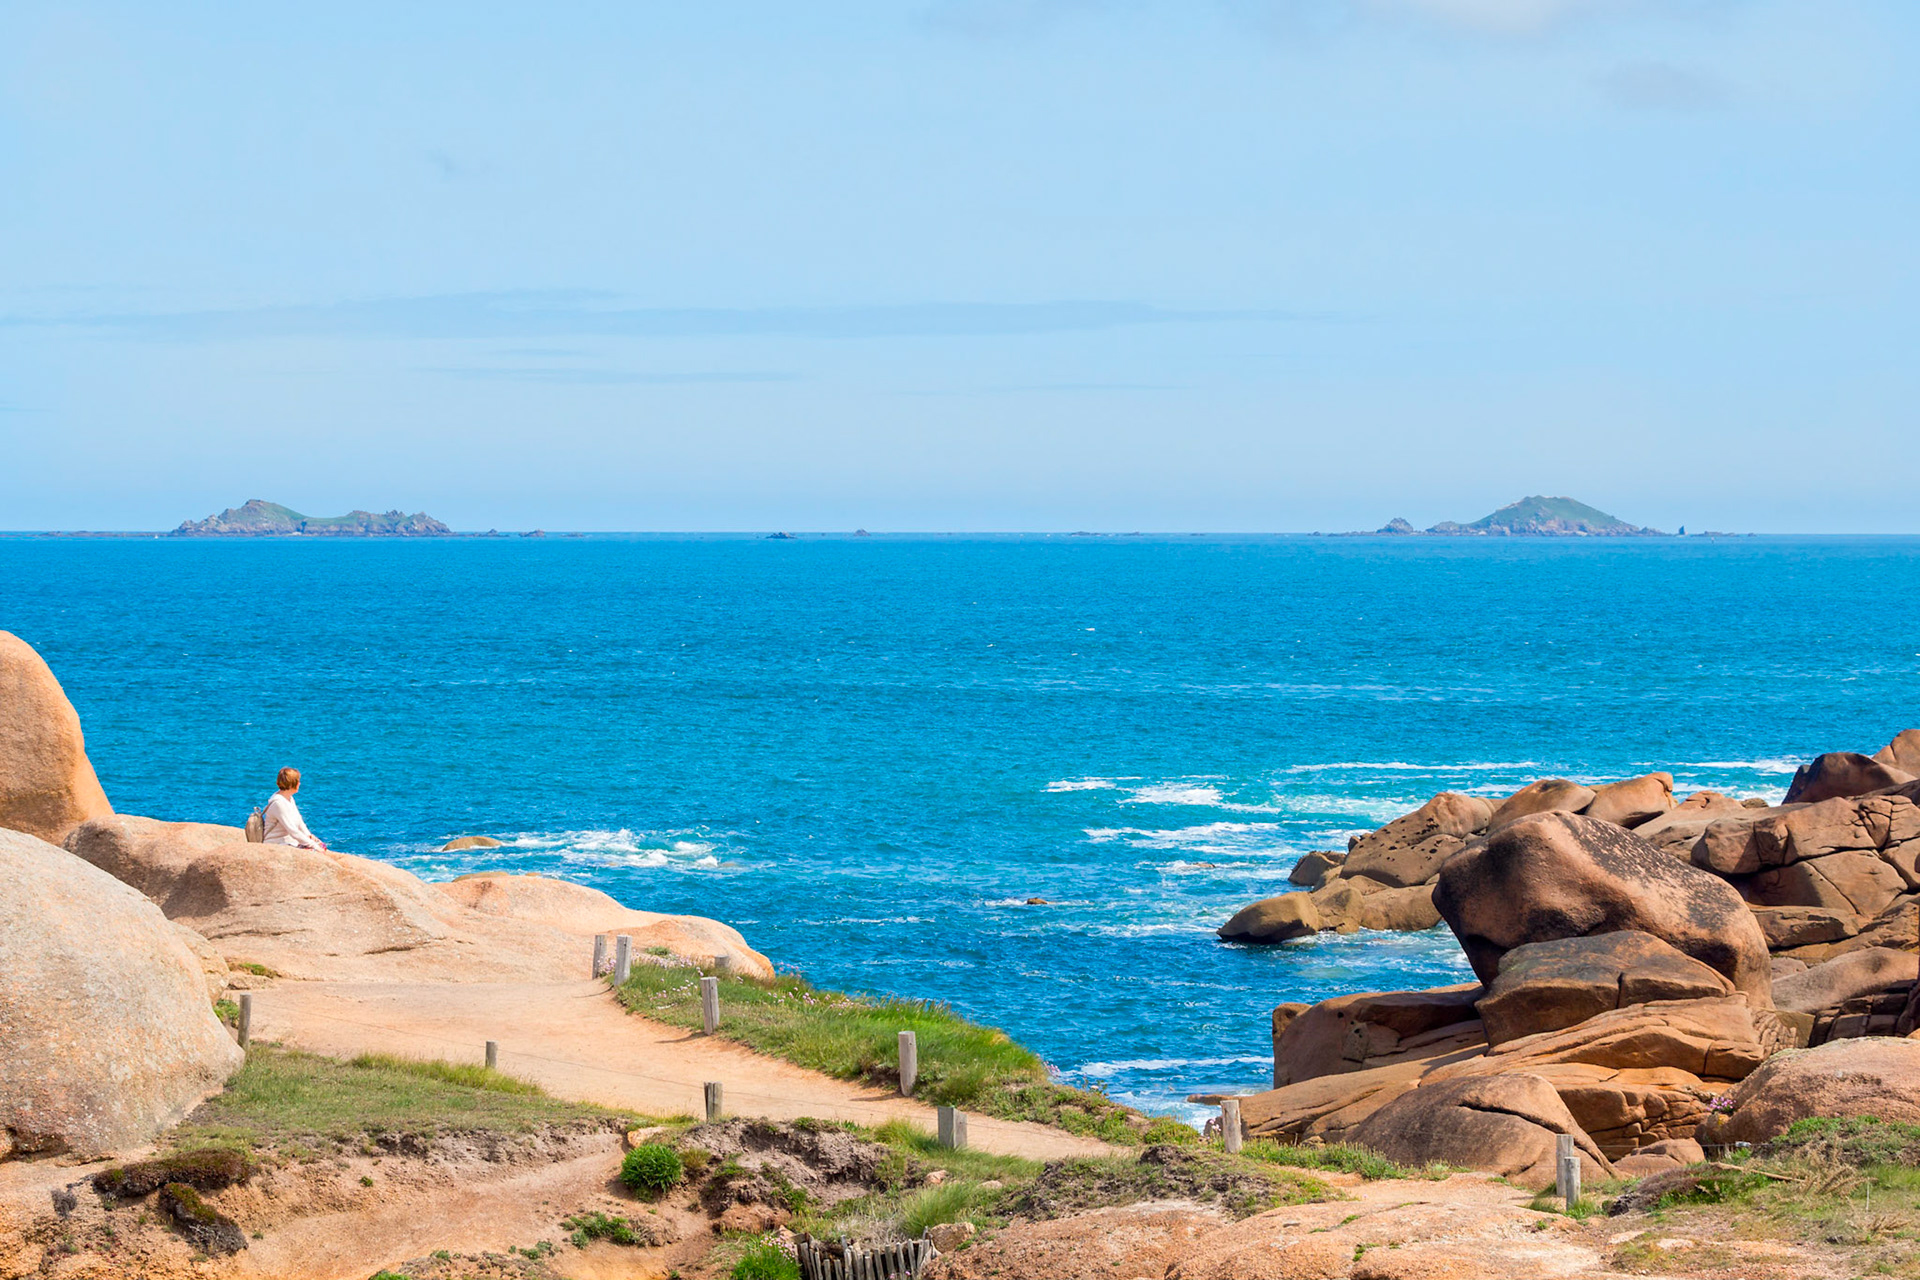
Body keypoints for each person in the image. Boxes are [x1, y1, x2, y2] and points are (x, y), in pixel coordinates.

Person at [263, 767, 328, 850]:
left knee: (322, 846)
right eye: (298, 781)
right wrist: (313, 845)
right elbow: (292, 830)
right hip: (278, 843)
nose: (299, 783)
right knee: (315, 849)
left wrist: (309, 835)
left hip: (290, 841)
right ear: (292, 784)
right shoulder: (278, 803)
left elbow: (299, 821)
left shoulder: (289, 798)